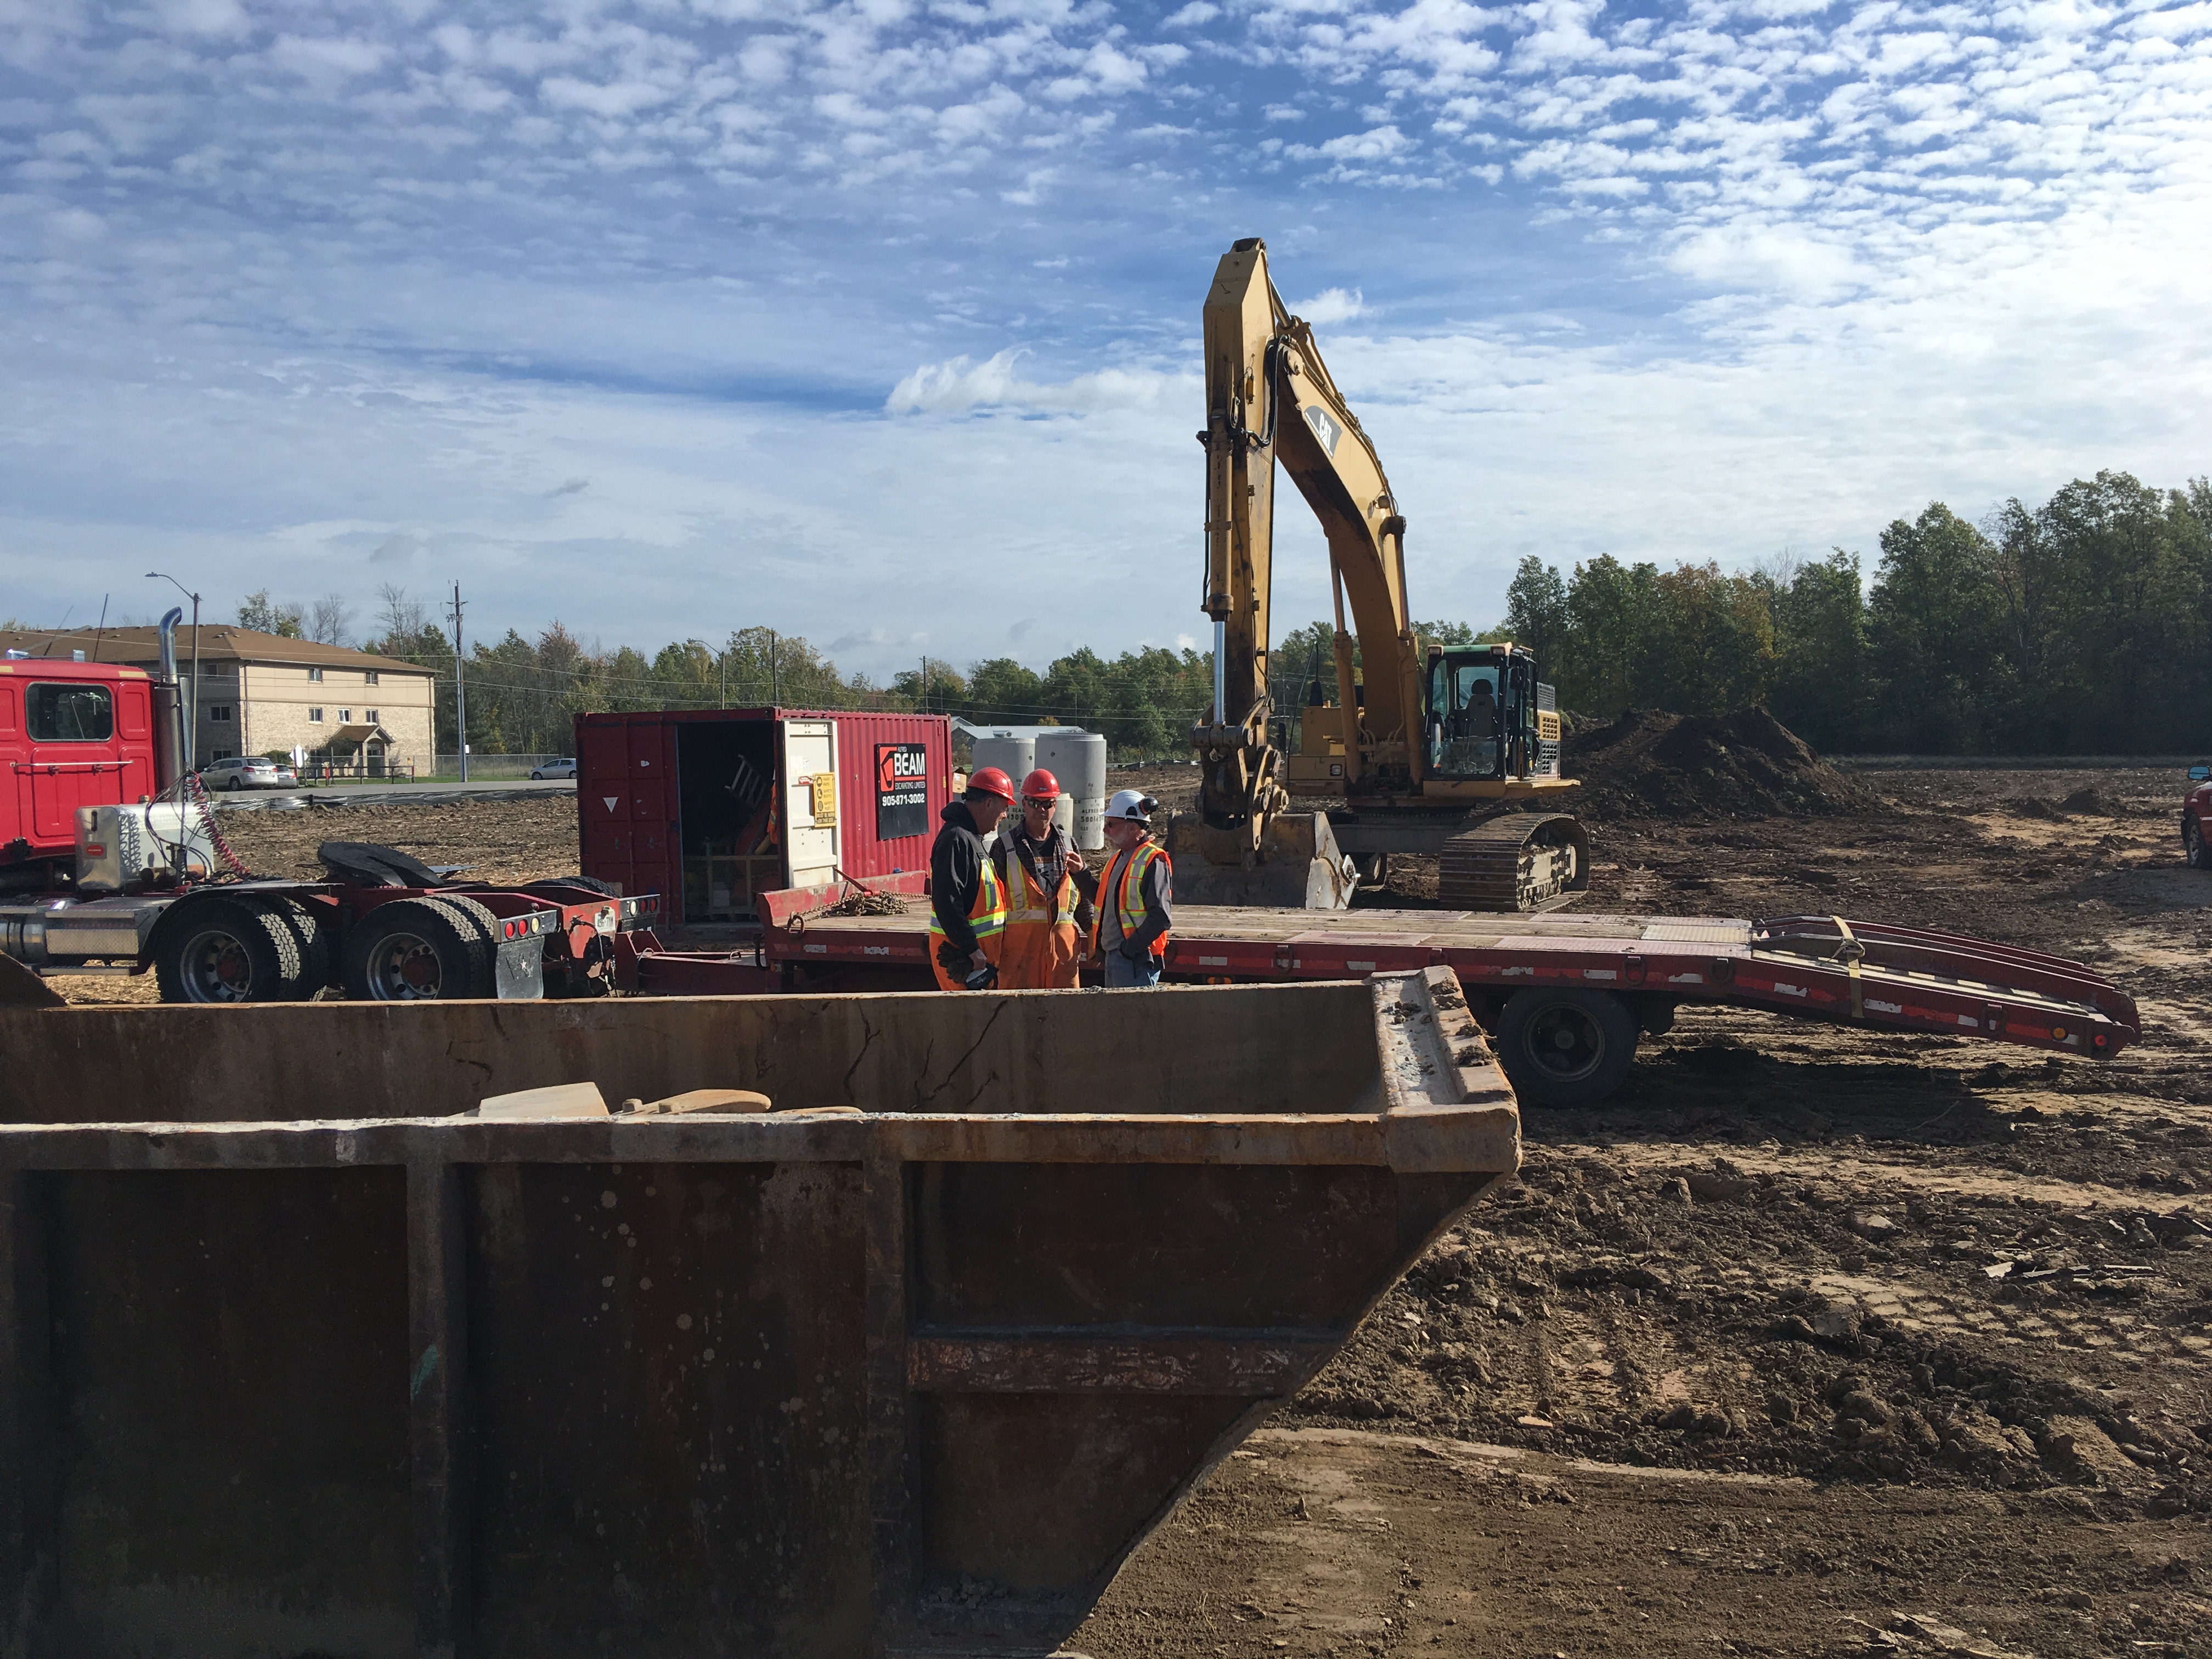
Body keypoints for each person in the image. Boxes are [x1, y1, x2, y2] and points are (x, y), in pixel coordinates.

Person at [993, 768, 1089, 989]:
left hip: (1062, 955)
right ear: (1024, 804)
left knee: (1063, 1018)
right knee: (1018, 1018)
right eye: (1035, 803)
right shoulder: (1005, 847)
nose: (1041, 809)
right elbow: (991, 904)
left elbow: (1081, 897)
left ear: (1055, 806)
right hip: (1019, 956)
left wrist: (1094, 935)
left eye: (1047, 803)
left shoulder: (1068, 843)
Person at [928, 766, 1013, 991]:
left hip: (978, 963)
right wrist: (971, 949)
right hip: (964, 963)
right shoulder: (957, 839)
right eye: (1004, 809)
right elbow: (947, 901)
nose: (1004, 816)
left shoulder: (971, 839)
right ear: (988, 804)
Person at [1092, 788, 1171, 989]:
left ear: (1133, 828)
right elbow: (1106, 901)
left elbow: (1160, 917)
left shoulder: (1152, 860)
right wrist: (1080, 874)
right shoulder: (1119, 858)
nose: (1105, 830)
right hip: (1118, 958)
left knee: (1133, 1020)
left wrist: (1128, 950)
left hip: (1134, 963)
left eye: (1111, 824)